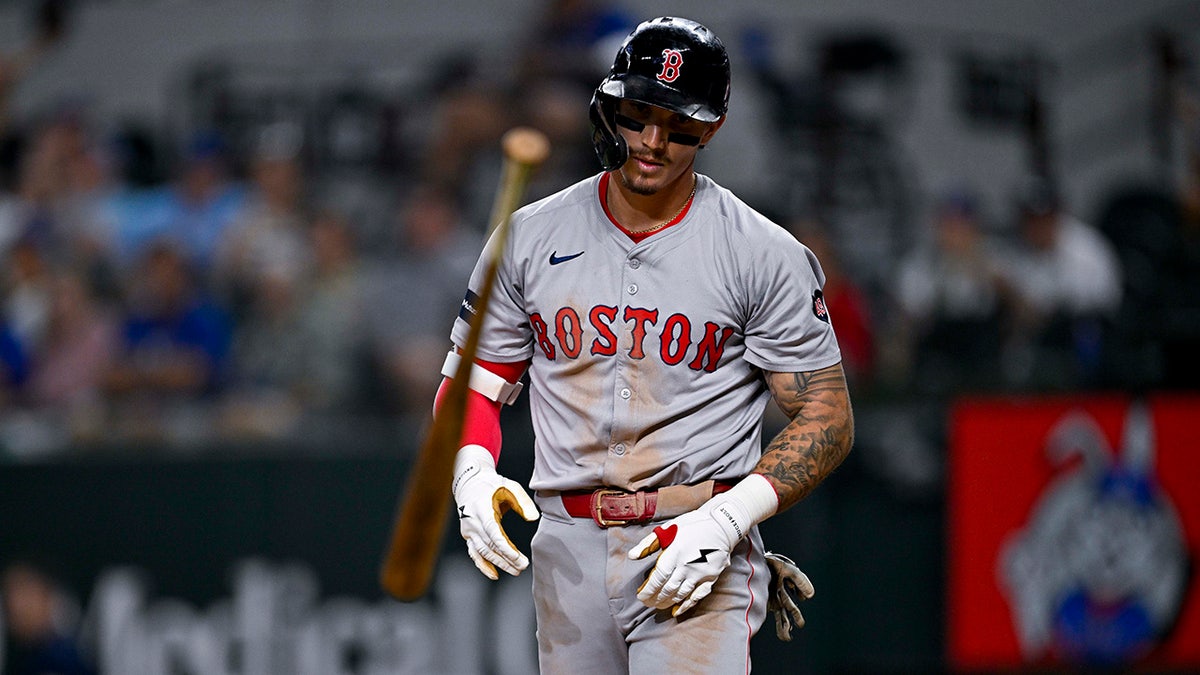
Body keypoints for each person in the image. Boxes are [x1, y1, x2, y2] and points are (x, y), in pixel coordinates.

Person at [433, 17, 854, 673]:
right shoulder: (529, 237)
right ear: (609, 105)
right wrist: (471, 469)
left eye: (680, 123)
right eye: (639, 113)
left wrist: (730, 518)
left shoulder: (763, 252)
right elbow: (475, 386)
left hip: (693, 540)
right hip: (567, 544)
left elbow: (827, 414)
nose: (653, 140)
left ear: (713, 125)